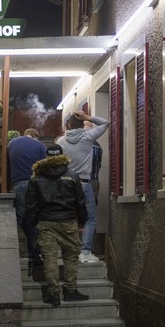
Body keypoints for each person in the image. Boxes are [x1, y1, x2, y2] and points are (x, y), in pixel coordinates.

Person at [25, 148, 89, 307]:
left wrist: (33, 223)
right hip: (68, 221)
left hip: (46, 222)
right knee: (71, 256)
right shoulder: (72, 176)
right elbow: (80, 201)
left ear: (46, 158)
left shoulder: (36, 178)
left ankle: (53, 294)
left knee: (50, 259)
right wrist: (82, 221)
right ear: (62, 157)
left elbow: (30, 205)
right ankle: (70, 290)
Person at [56, 110, 110, 263]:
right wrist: (87, 117)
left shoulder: (60, 141)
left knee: (68, 216)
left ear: (68, 125)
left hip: (66, 184)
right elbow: (105, 122)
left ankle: (68, 249)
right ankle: (85, 252)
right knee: (90, 218)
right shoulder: (88, 137)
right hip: (84, 184)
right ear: (81, 124)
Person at [7, 127, 46, 261]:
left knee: (21, 217)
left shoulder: (12, 143)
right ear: (35, 136)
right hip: (35, 184)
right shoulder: (40, 146)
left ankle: (22, 247)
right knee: (34, 218)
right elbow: (43, 168)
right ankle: (34, 251)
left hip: (18, 184)